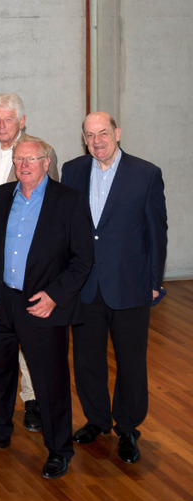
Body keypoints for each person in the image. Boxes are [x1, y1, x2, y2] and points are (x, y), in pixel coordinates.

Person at [0, 135, 93, 479]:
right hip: (2, 301)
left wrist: (55, 296)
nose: (23, 166)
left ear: (46, 163)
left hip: (43, 305)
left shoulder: (68, 201)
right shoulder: (2, 195)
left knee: (50, 381)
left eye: (31, 160)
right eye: (18, 160)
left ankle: (59, 449)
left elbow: (83, 260)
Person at [62, 112, 167, 464]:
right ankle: (97, 420)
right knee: (87, 360)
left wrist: (154, 281)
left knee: (131, 362)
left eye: (103, 133)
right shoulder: (73, 171)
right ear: (83, 138)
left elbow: (156, 231)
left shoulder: (146, 174)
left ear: (117, 133)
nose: (97, 141)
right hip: (86, 286)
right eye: (90, 135)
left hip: (130, 284)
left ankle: (128, 428)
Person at [0, 92, 59, 427]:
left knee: (30, 332)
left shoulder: (40, 152)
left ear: (22, 121)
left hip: (29, 264)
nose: (1, 125)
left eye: (8, 119)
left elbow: (53, 215)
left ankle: (32, 399)